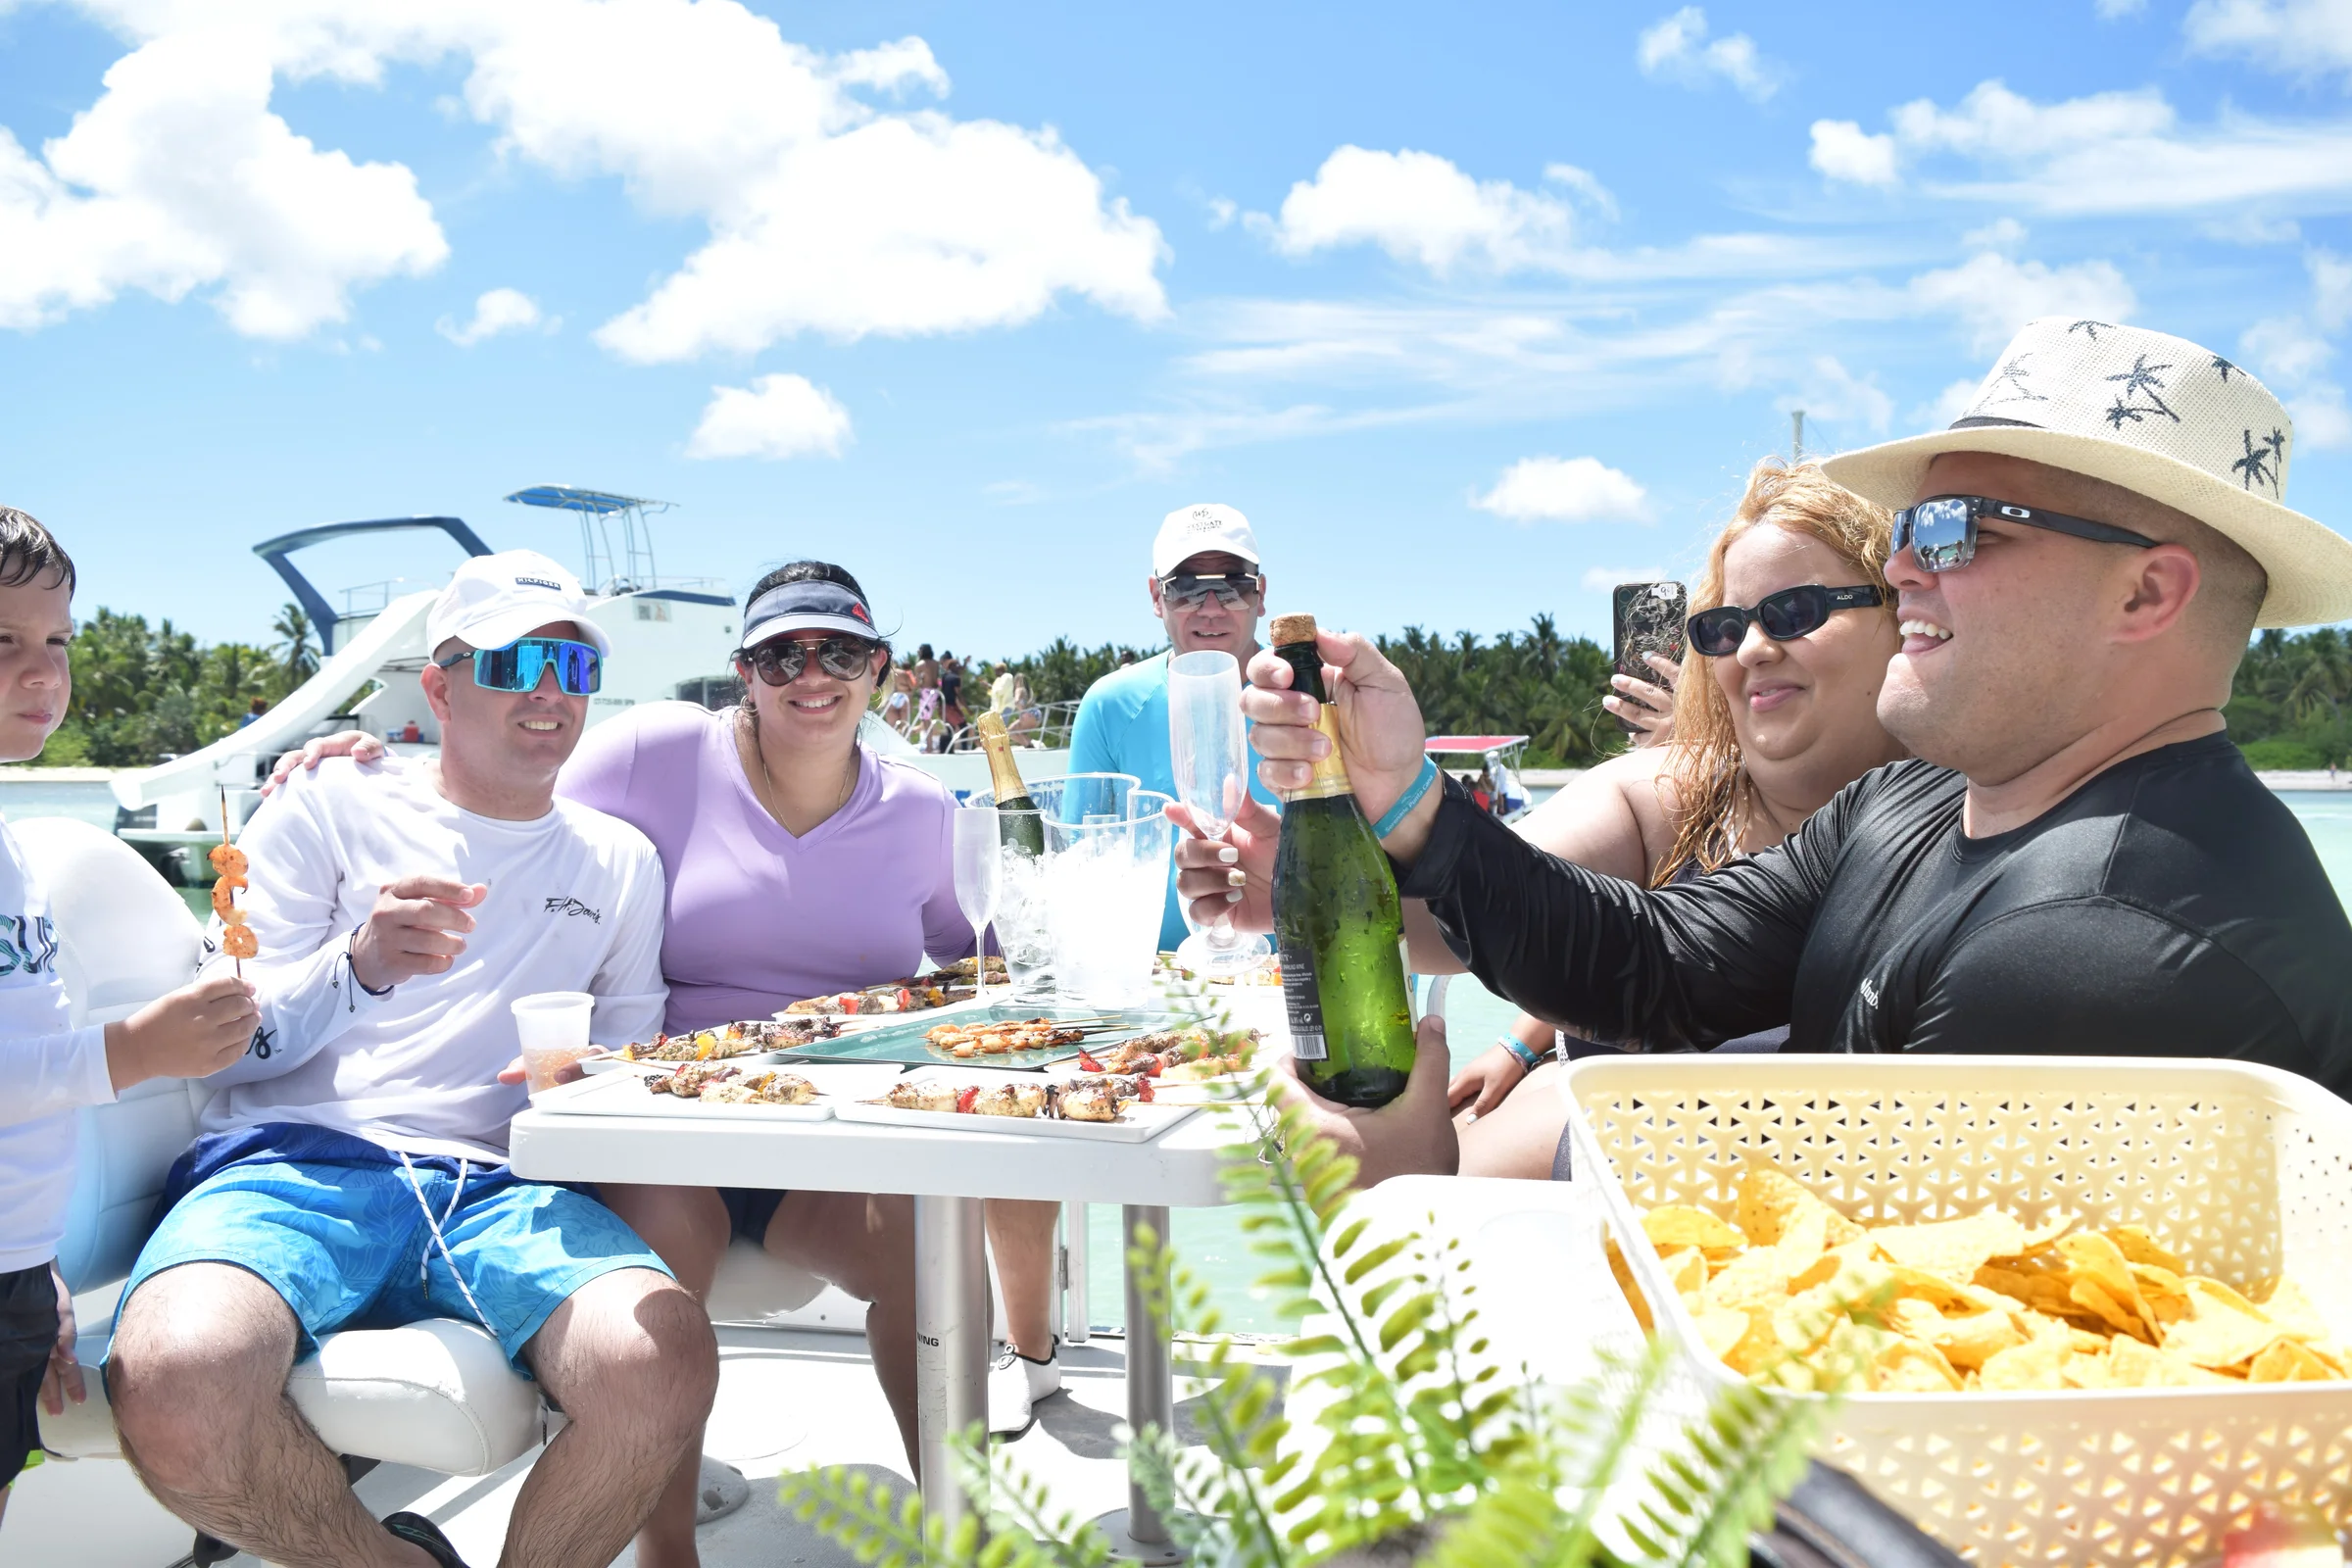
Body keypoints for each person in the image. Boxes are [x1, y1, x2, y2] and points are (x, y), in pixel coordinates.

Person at [1188, 318, 2352, 1187]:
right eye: (1905, 532)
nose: (1907, 568)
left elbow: (1850, 1359)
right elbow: (1658, 958)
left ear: (2147, 590)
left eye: (1954, 531)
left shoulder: (2106, 940)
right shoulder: (1918, 802)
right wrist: (1410, 799)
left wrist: (1413, 1197)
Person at [271, 564, 1070, 1453]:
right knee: (654, 1270)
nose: (813, 676)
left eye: (840, 652)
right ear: (745, 673)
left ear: (878, 669)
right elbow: (507, 801)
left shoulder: (922, 811)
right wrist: (378, 769)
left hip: (836, 1136)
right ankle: (666, 1550)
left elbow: (998, 963)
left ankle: (960, 1529)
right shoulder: (656, 753)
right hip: (670, 1126)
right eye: (782, 657)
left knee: (933, 1257)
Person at [108, 553, 713, 1568]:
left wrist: (596, 1080)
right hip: (294, 1165)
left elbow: (629, 1059)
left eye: (573, 664)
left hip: (499, 1183)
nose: (551, 692)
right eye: (516, 662)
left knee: (663, 1362)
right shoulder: (325, 803)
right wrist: (360, 966)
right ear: (438, 688)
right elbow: (224, 1051)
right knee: (172, 1378)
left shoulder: (620, 860)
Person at [1441, 461, 1907, 1178]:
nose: (1752, 647)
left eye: (1798, 611)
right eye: (1722, 628)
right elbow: (1526, 898)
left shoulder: (1953, 829)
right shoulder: (1666, 796)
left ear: (1907, 613)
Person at [0, 510, 263, 1530]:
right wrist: (135, 1052)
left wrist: (37, 1261)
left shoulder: (12, 850)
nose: (42, 672)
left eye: (56, 641)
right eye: (4, 643)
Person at [1069, 502, 1282, 951]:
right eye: (1184, 588)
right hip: (1160, 987)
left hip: (1305, 975)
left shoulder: (1321, 698)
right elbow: (1077, 864)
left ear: (1260, 595)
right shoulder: (1110, 706)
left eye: (1232, 587)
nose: (1209, 608)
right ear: (1155, 596)